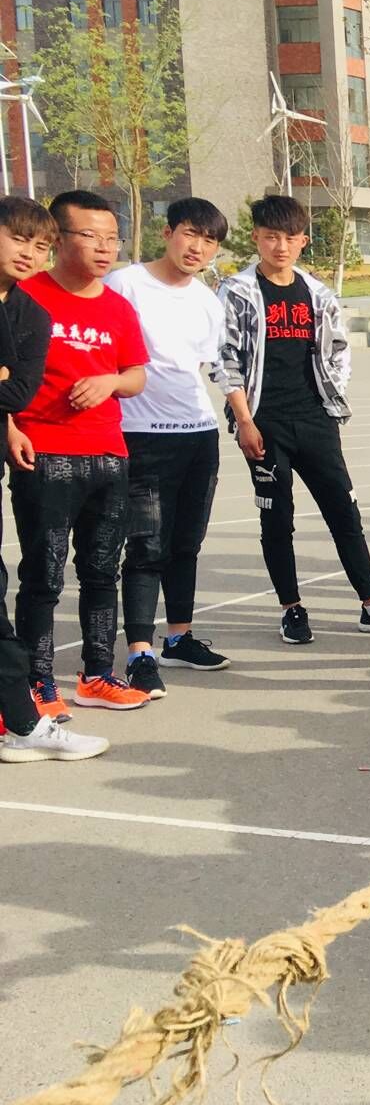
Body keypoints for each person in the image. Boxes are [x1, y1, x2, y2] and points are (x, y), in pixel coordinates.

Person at [219, 195, 370, 644]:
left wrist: (333, 397)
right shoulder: (238, 292)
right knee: (277, 518)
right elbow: (225, 358)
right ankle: (291, 608)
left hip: (315, 419)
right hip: (264, 422)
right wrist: (244, 419)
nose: (280, 246)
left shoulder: (317, 293)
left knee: (344, 511)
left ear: (303, 241)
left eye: (290, 238)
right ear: (256, 238)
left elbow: (339, 350)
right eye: (271, 237)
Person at [10, 190, 152, 716]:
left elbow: (136, 375)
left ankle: (97, 675)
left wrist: (110, 381)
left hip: (108, 454)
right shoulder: (25, 298)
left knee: (101, 571)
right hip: (44, 452)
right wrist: (9, 427)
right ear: (59, 238)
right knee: (43, 575)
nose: (104, 248)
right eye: (90, 236)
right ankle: (37, 684)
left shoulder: (117, 306)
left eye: (112, 238)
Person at [104, 197, 232, 698]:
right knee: (146, 545)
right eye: (190, 234)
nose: (198, 247)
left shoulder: (207, 301)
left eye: (210, 240)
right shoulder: (126, 285)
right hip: (141, 434)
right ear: (167, 232)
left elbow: (201, 367)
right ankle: (140, 652)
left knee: (186, 543)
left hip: (198, 433)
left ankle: (179, 637)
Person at [0, 194, 109, 760]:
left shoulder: (30, 314)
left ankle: (20, 721)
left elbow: (19, 390)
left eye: (41, 245)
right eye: (19, 239)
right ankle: (21, 721)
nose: (30, 253)